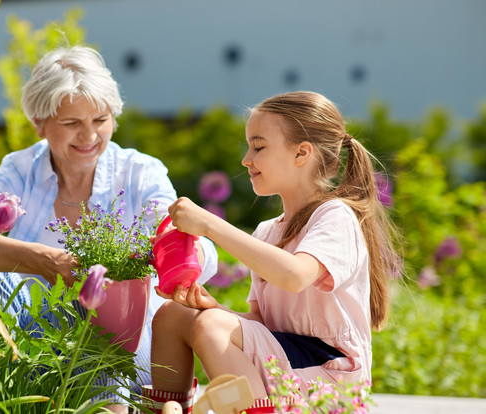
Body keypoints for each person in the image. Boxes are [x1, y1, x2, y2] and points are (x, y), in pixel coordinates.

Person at [0, 45, 217, 409]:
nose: (89, 136)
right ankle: (4, 394)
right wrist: (46, 261)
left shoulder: (139, 171)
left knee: (95, 303)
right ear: (39, 124)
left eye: (100, 120)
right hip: (30, 343)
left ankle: (108, 405)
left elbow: (180, 237)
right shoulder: (19, 169)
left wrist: (175, 255)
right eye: (72, 123)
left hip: (121, 343)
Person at [143, 91, 400, 413]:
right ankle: (169, 408)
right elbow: (263, 323)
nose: (246, 159)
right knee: (173, 315)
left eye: (259, 146)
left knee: (210, 326)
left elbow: (294, 275)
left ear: (301, 153)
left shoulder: (336, 216)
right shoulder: (268, 230)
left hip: (332, 374)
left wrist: (210, 225)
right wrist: (217, 308)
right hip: (288, 361)